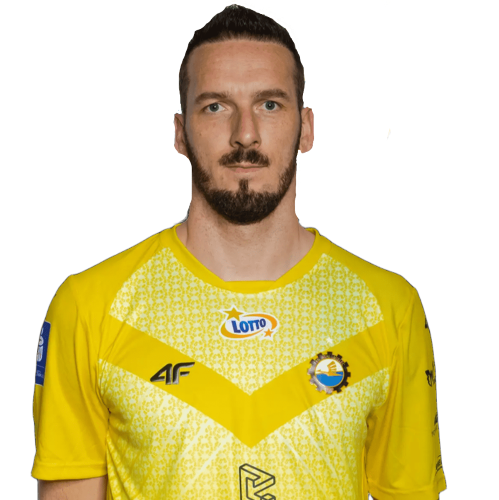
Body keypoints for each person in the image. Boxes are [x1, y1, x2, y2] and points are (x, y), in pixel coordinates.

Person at [32, 4, 447, 499]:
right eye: (216, 106)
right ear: (180, 134)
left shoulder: (389, 309)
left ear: (307, 128)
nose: (245, 134)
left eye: (270, 104)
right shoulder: (89, 307)